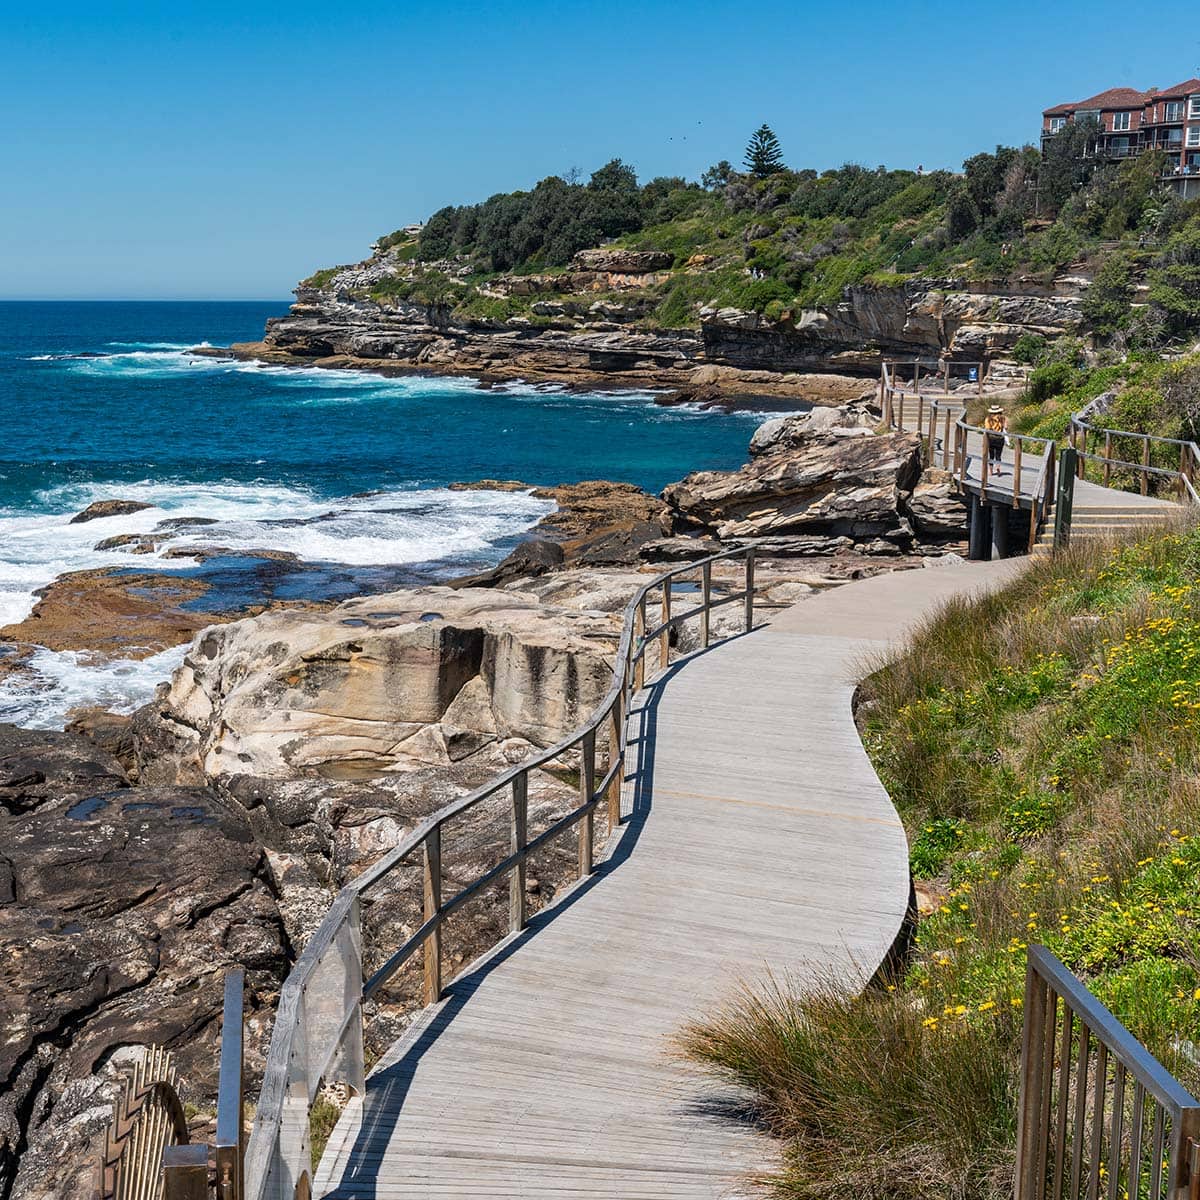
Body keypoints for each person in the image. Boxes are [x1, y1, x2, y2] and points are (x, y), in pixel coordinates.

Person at [984, 404, 1008, 479]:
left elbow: (987, 429)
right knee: (998, 455)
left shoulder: (988, 419)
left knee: (991, 455)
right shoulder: (1003, 418)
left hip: (991, 438)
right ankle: (998, 468)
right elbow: (1006, 427)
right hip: (1000, 438)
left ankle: (990, 471)